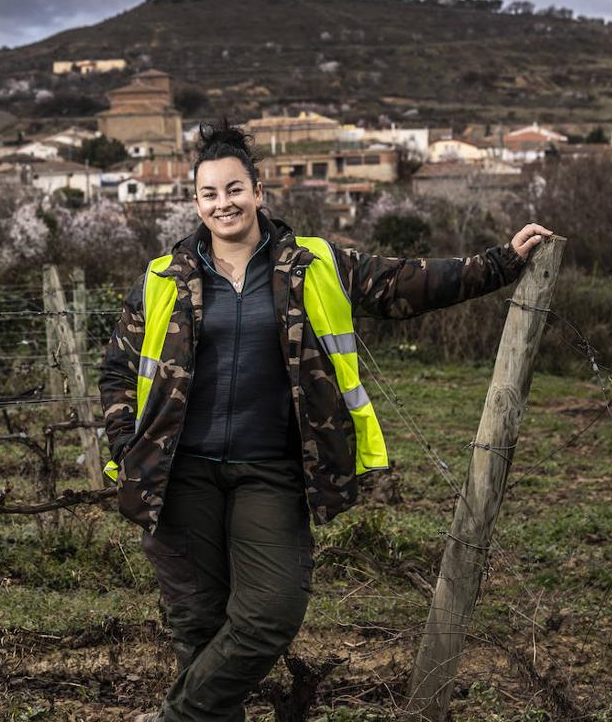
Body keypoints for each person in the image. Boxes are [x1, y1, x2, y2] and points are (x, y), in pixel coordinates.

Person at [97, 121, 552, 722]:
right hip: (179, 475)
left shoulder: (313, 263)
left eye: (234, 189)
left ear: (259, 191)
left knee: (270, 613)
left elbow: (404, 284)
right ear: (196, 202)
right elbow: (117, 371)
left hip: (273, 470)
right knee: (198, 628)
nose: (222, 203)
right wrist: (128, 446)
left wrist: (500, 262)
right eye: (209, 194)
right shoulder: (162, 278)